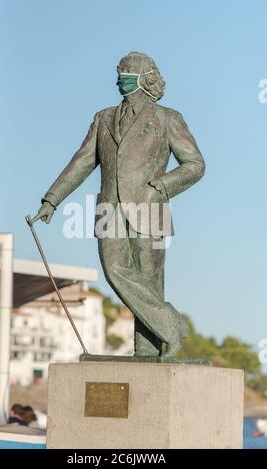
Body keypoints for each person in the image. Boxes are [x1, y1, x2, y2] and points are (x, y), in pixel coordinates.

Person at [33, 51, 205, 358]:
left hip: (150, 208)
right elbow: (82, 162)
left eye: (125, 75)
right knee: (114, 269)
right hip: (108, 210)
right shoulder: (104, 118)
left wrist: (160, 187)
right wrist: (52, 199)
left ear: (142, 80)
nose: (118, 79)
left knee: (150, 282)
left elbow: (194, 165)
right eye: (119, 73)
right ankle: (171, 323)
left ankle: (149, 354)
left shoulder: (168, 118)